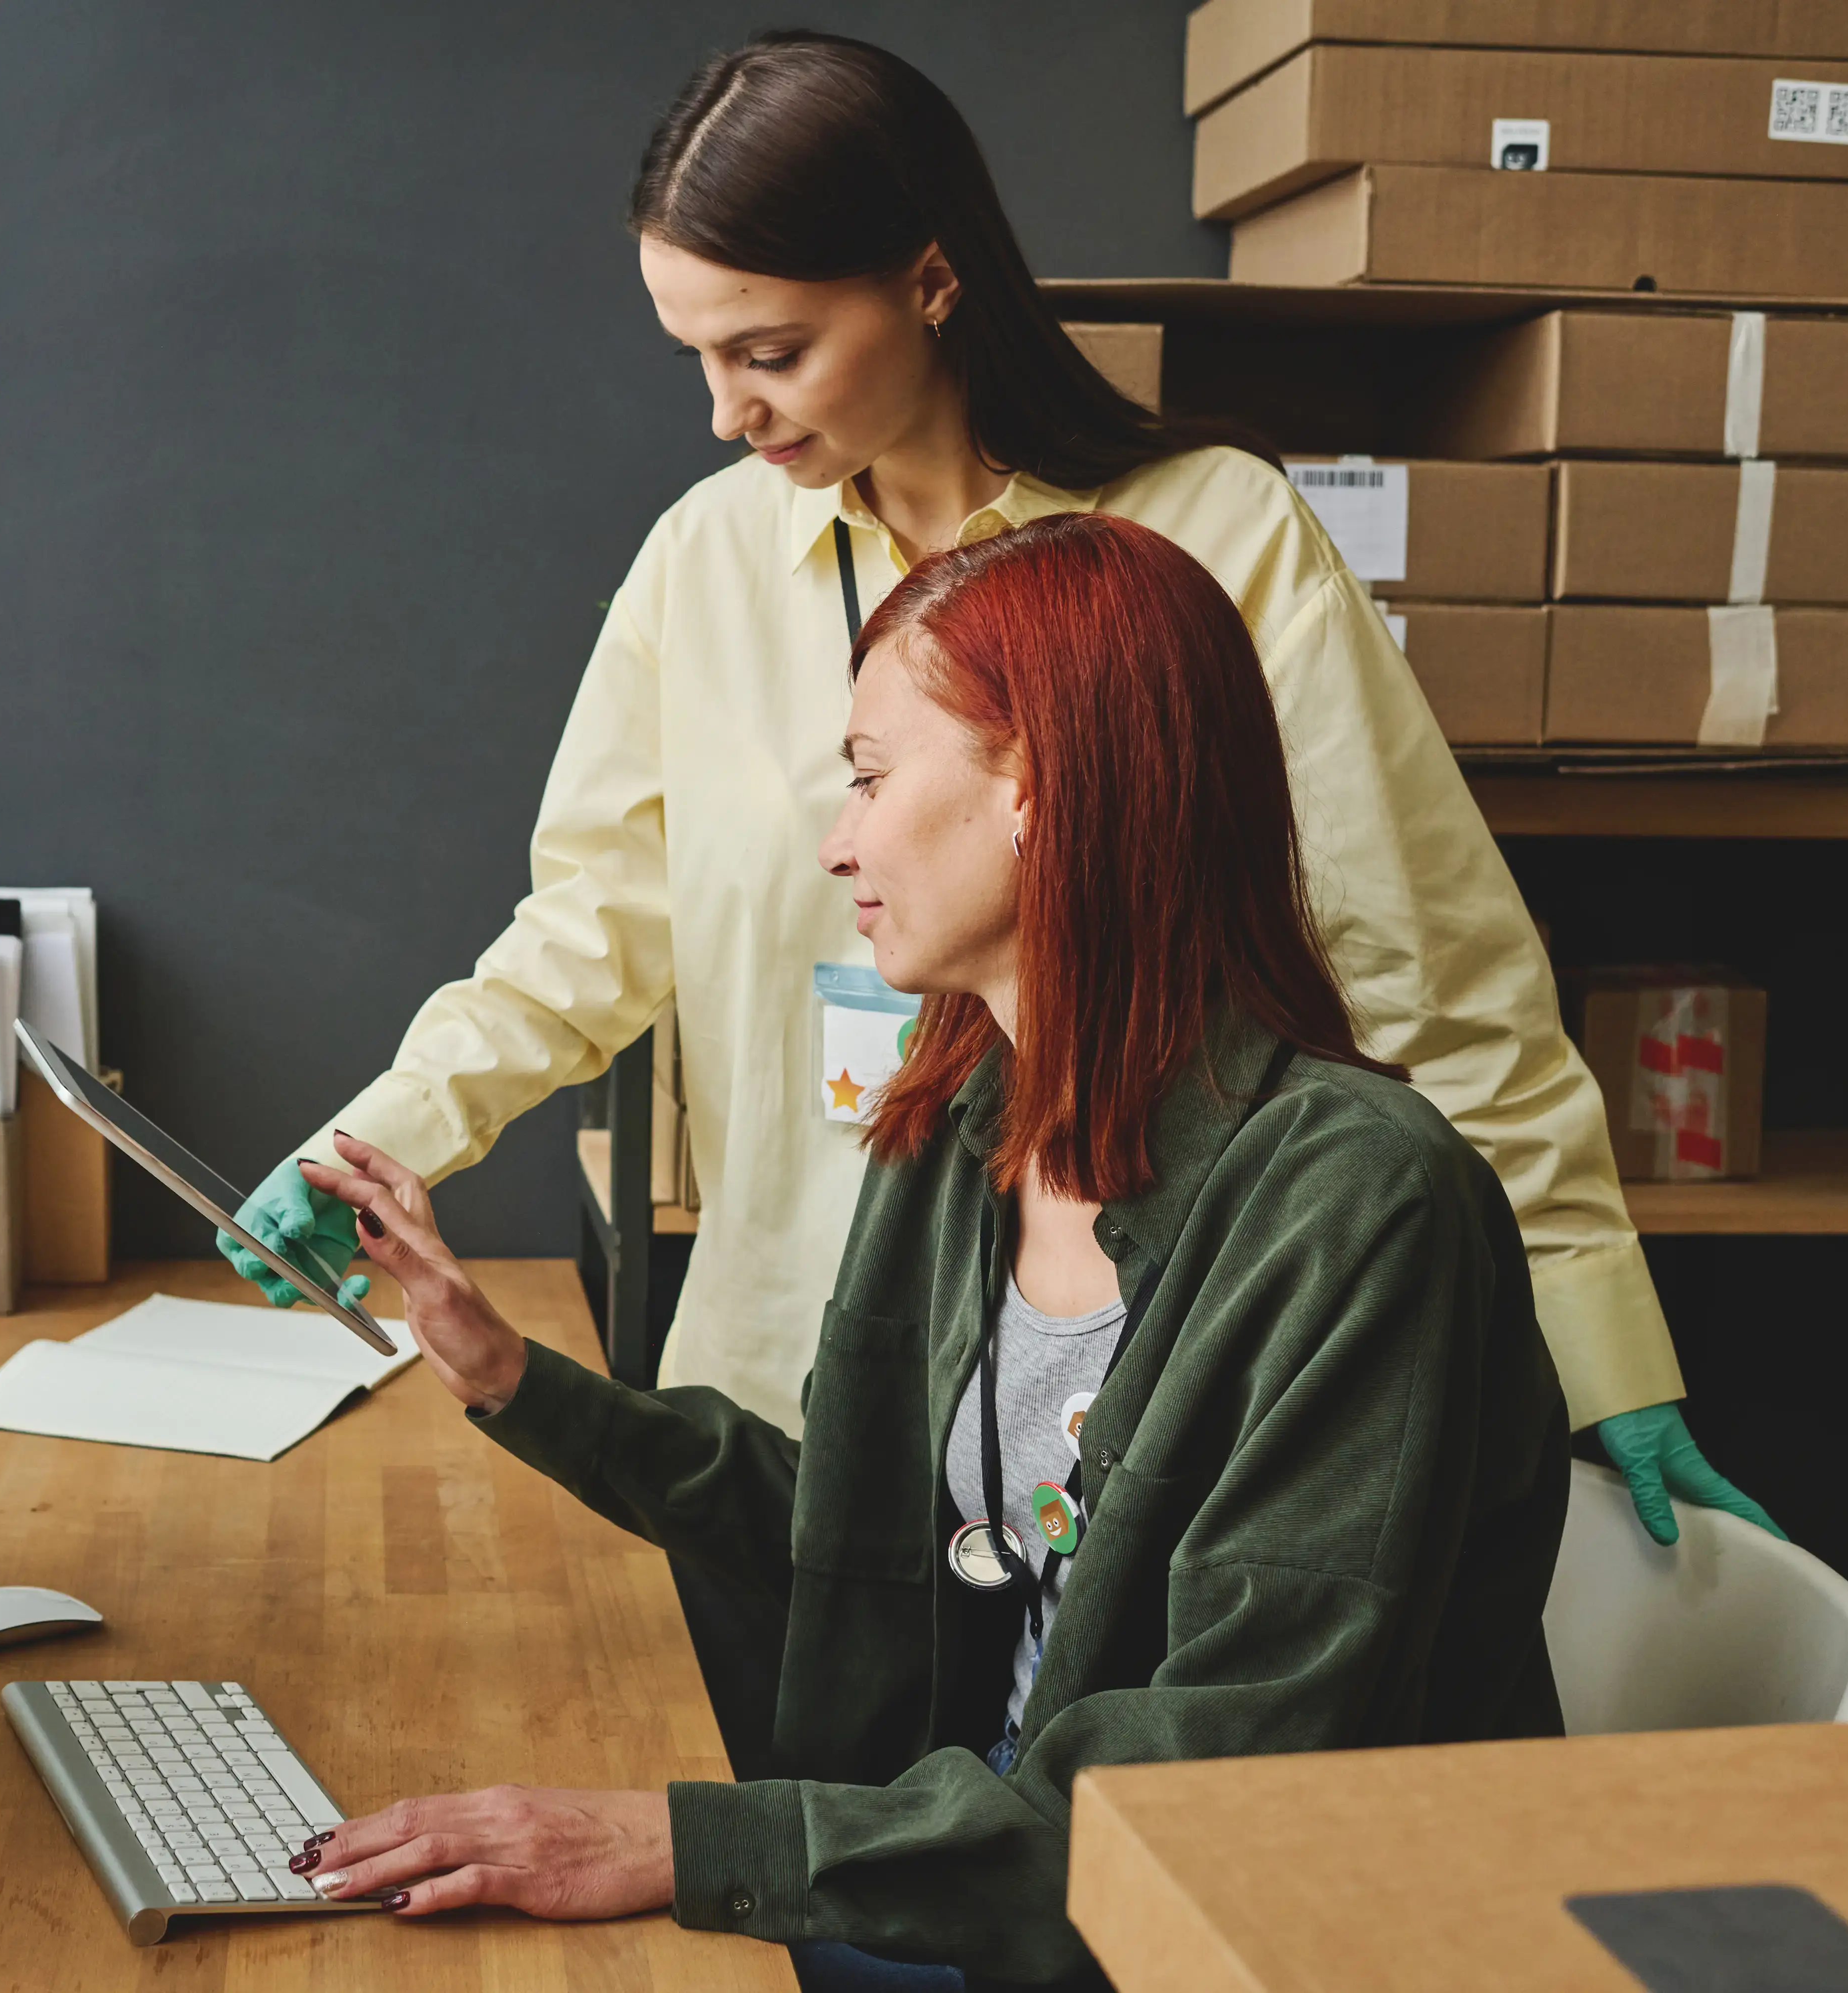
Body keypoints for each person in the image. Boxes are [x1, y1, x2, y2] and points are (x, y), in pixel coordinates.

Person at [218, 32, 1768, 1572]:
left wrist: (1592, 1335)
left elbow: (1426, 972)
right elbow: (587, 934)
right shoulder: (707, 562)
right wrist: (376, 1149)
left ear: (935, 280)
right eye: (695, 356)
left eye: (771, 353)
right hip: (782, 1392)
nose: (725, 415)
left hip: (1126, 1407)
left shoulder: (1216, 544)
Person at [275, 513, 1571, 1988]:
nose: (838, 839)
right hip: (982, 1884)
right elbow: (867, 1542)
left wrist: (695, 1845)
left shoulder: (1366, 1208)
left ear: (1042, 787)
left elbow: (1213, 1787)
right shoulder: (974, 1116)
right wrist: (514, 1379)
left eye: (873, 777)